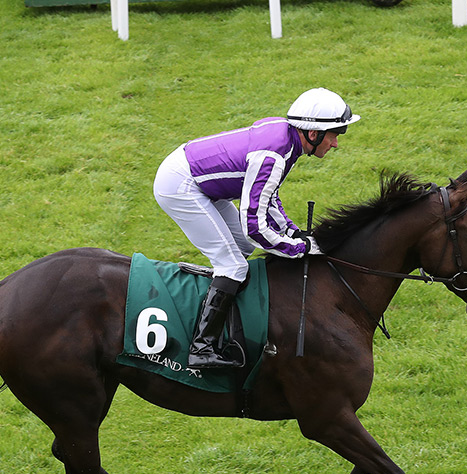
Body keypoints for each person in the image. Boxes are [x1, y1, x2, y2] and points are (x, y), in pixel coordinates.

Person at [153, 87, 360, 369]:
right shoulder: (274, 155)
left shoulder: (288, 138)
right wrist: (299, 248)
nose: (335, 143)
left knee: (240, 248)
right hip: (181, 185)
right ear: (313, 134)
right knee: (233, 265)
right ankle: (201, 348)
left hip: (199, 180)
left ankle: (216, 303)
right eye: (335, 134)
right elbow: (254, 226)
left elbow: (267, 196)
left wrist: (292, 231)